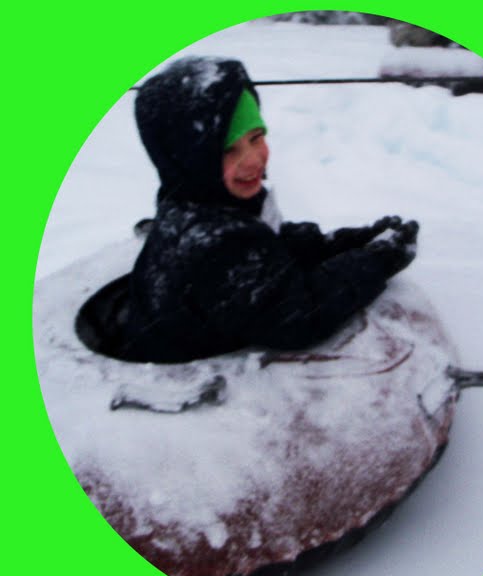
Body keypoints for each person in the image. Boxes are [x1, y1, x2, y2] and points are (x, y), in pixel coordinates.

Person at [122, 56, 417, 365]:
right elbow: (297, 316)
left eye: (256, 138)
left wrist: (340, 243)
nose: (252, 160)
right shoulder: (210, 242)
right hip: (184, 382)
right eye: (228, 150)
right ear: (188, 159)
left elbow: (264, 248)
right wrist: (376, 262)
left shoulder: (200, 196)